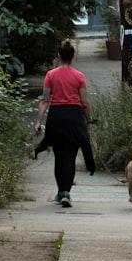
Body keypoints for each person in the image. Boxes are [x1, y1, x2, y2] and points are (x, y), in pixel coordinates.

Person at [33, 39, 95, 208]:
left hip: (56, 118)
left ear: (59, 56)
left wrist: (38, 122)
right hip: (74, 118)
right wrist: (88, 119)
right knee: (70, 157)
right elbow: (85, 102)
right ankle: (66, 193)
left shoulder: (51, 75)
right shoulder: (79, 76)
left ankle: (61, 192)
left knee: (59, 157)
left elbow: (45, 101)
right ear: (73, 56)